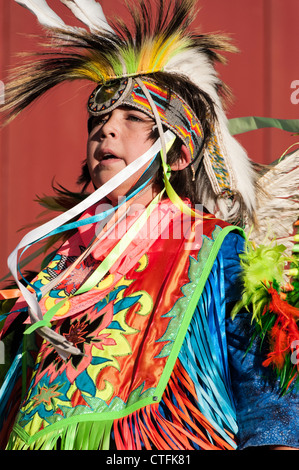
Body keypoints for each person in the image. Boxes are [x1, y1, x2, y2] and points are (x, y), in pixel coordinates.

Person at [0, 0, 298, 451]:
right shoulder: (55, 270)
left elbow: (269, 405)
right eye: (97, 120)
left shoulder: (212, 251)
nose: (106, 130)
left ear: (178, 154)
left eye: (134, 118)